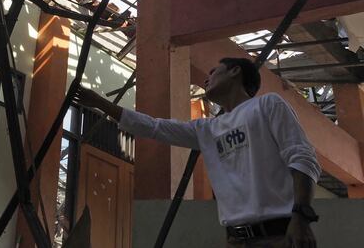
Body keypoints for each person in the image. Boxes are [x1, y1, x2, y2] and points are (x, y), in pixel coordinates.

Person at [77, 57, 321, 248]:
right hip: (235, 240)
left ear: (235, 71)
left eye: (213, 72)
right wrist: (100, 103)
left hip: (281, 235)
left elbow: (302, 157)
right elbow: (155, 127)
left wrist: (302, 217)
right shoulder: (208, 129)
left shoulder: (267, 105)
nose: (207, 79)